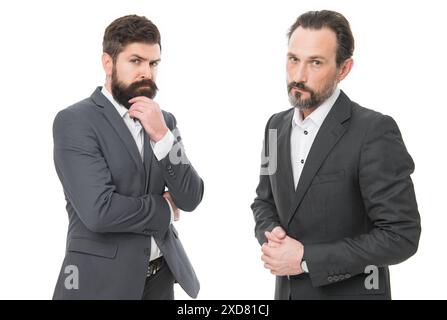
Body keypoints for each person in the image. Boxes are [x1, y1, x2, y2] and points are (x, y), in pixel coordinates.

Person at [251, 10, 421, 300]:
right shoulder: (274, 127)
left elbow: (401, 235)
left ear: (343, 69)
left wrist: (306, 258)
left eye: (315, 62)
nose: (299, 75)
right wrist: (271, 233)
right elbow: (263, 201)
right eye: (294, 59)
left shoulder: (375, 131)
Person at [52, 15, 204, 299]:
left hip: (160, 280)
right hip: (100, 285)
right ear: (108, 63)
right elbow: (99, 211)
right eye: (136, 61)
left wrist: (163, 137)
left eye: (153, 63)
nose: (146, 72)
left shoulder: (164, 121)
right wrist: (165, 209)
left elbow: (191, 196)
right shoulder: (75, 122)